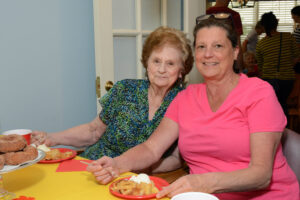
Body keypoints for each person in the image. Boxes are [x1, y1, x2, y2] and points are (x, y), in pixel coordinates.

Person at [86, 14, 299, 199]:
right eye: (201, 47)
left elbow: (261, 175)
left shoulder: (259, 93)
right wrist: (118, 164)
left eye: (218, 46)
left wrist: (204, 182)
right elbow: (151, 148)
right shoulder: (186, 98)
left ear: (235, 51)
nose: (208, 54)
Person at [31, 26, 194, 172]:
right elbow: (93, 131)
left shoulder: (186, 101)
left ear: (182, 70)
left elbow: (176, 159)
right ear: (147, 63)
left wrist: (136, 169)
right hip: (93, 165)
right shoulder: (125, 89)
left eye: (170, 63)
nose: (161, 69)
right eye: (156, 61)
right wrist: (52, 138)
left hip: (135, 178)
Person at [256, 12, 300, 118]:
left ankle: (272, 130)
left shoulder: (261, 44)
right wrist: (287, 65)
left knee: (271, 107)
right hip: (287, 79)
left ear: (263, 26)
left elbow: (260, 67)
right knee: (282, 103)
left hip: (269, 79)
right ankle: (286, 131)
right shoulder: (288, 37)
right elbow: (297, 56)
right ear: (276, 24)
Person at [206, 0, 244, 72]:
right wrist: (240, 68)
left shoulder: (206, 13)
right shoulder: (234, 15)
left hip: (210, 59)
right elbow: (237, 43)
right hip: (228, 61)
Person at [288, 6, 300, 112]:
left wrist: (295, 59)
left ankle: (295, 103)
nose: (292, 18)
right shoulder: (298, 27)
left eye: (293, 16)